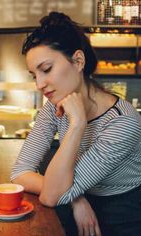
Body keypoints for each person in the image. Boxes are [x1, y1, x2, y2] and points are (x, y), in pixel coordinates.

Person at [10, 11, 141, 236]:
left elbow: (52, 195)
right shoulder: (54, 105)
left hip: (122, 217)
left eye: (46, 69)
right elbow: (20, 172)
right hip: (76, 206)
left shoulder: (123, 122)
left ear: (78, 61)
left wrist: (77, 123)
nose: (40, 84)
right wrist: (76, 198)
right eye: (34, 75)